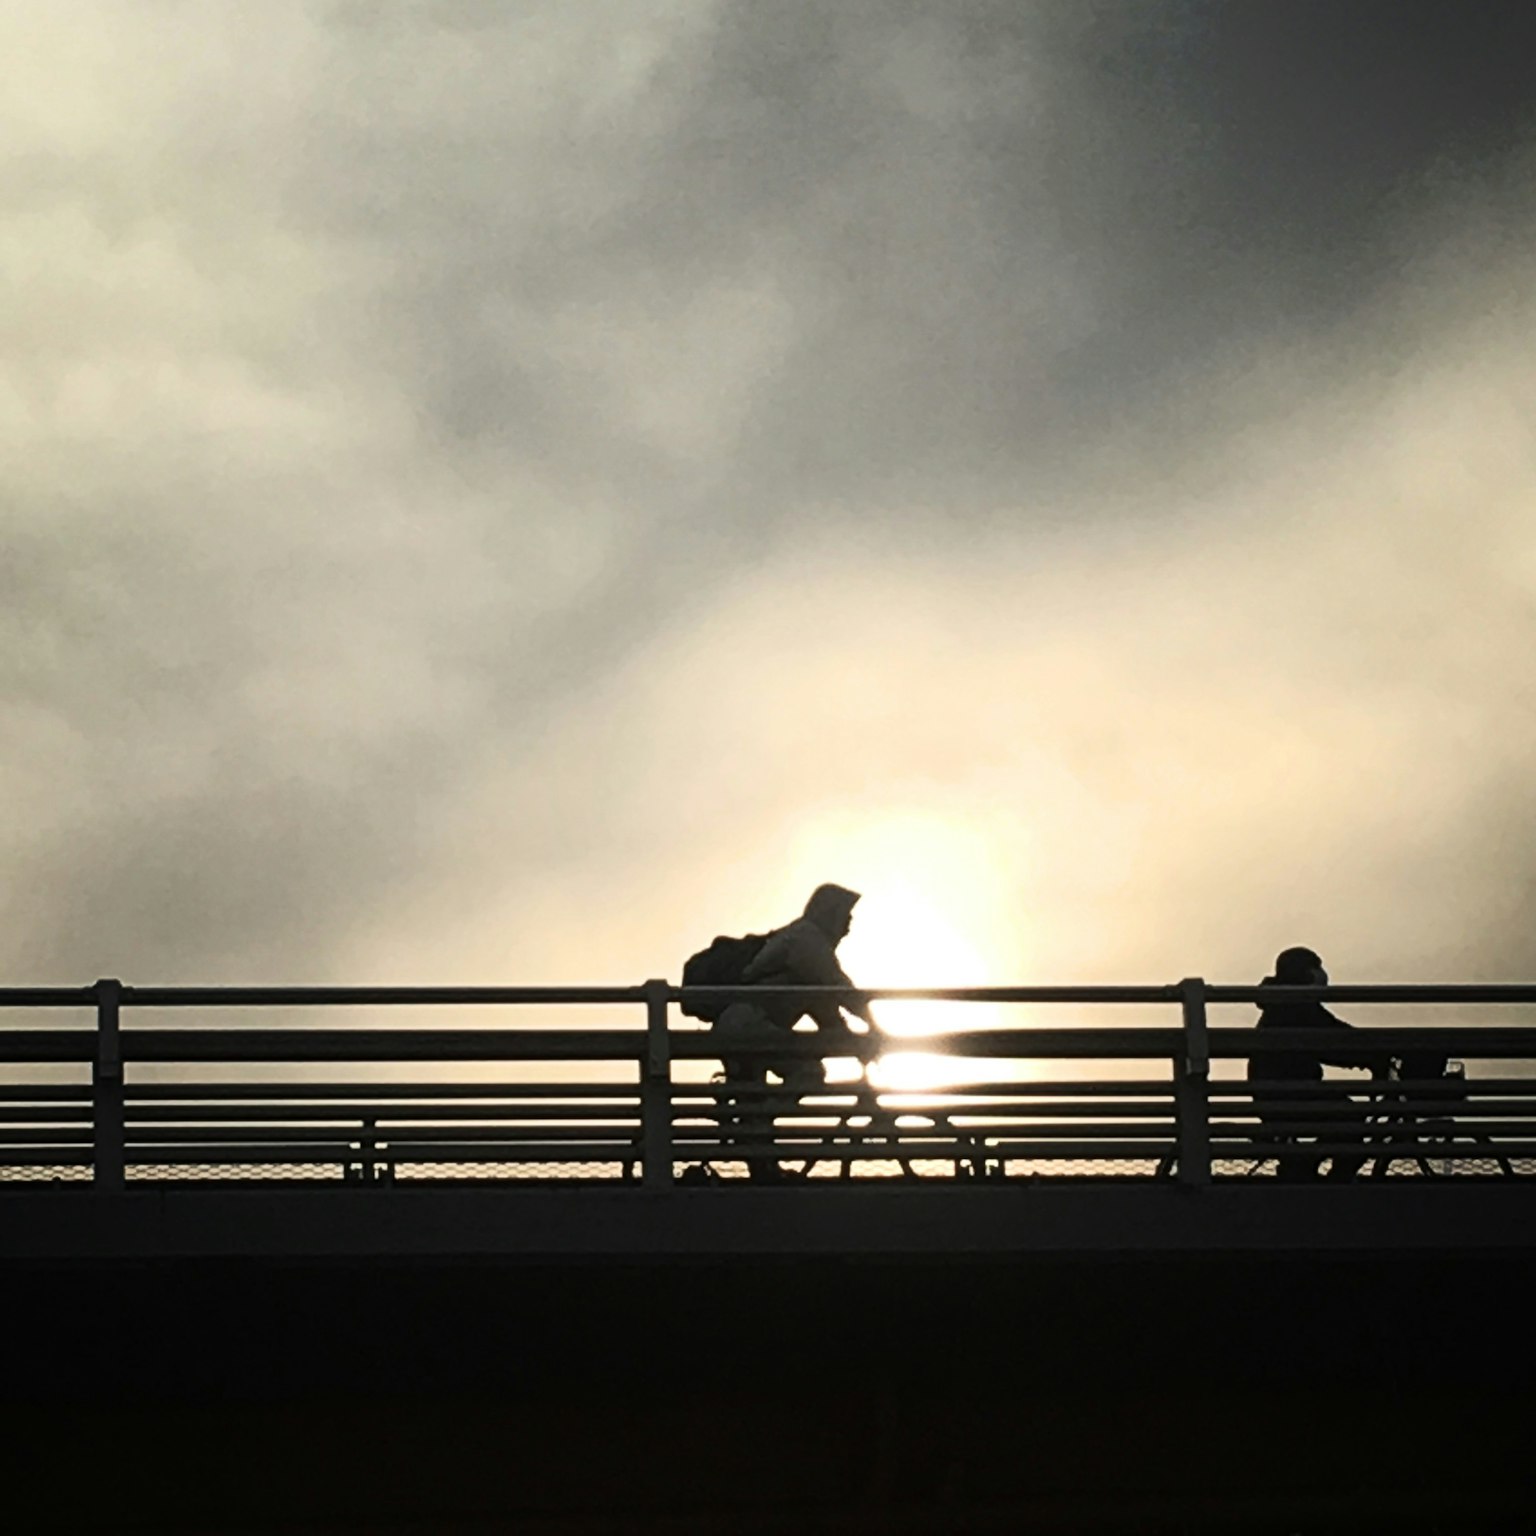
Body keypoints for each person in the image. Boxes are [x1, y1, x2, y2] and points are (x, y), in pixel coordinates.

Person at [712, 883, 882, 1182]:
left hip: (744, 1024)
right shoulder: (808, 940)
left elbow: (828, 1015)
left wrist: (856, 1042)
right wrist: (875, 1029)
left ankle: (762, 1165)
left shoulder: (804, 941)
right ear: (829, 914)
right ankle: (754, 1126)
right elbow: (840, 989)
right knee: (808, 1073)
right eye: (846, 917)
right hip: (750, 1024)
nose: (848, 927)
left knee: (755, 1101)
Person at [1246, 946, 1388, 1182]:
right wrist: (1372, 1055)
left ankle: (1306, 1165)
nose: (1322, 974)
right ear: (1305, 973)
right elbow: (1335, 1040)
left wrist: (1364, 1054)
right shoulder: (1296, 1006)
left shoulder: (1284, 1003)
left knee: (1343, 1116)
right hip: (1291, 1094)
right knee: (1349, 1118)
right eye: (1316, 967)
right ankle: (1326, 1178)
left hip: (1280, 1092)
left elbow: (1332, 1039)